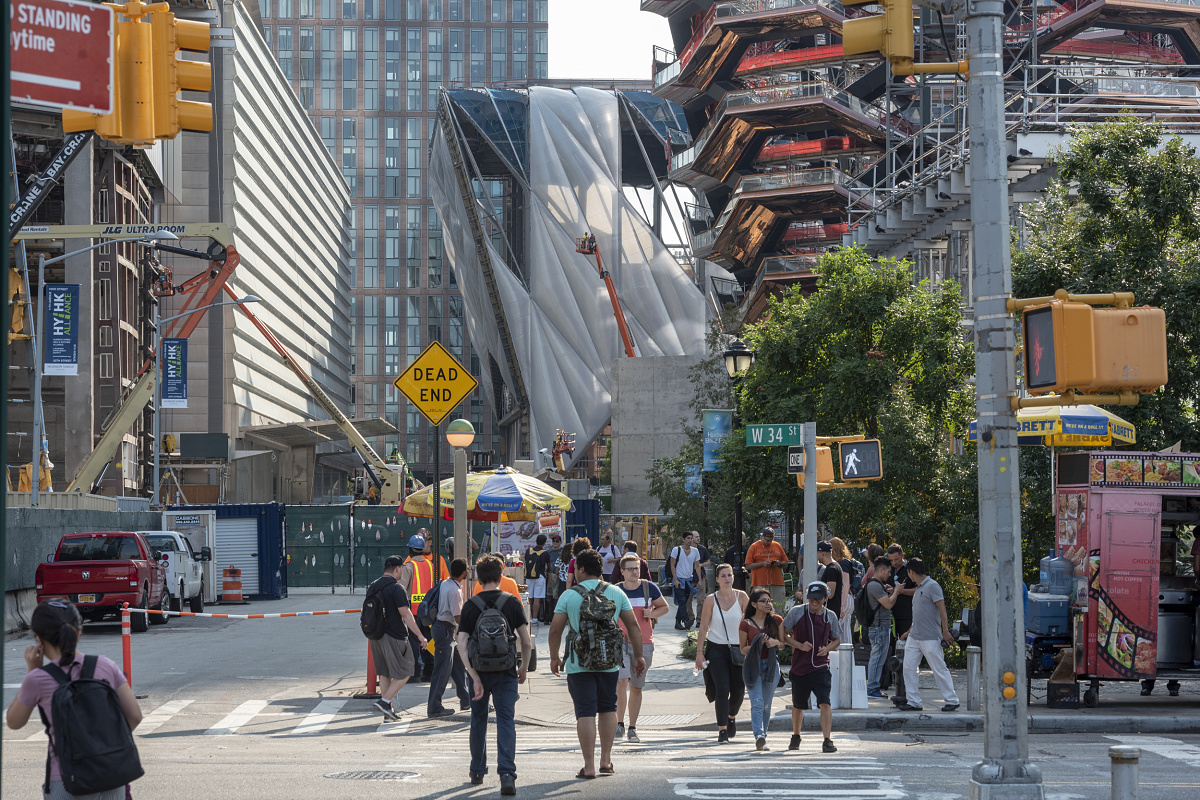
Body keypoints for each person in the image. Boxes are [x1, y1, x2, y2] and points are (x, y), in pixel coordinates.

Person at [6, 600, 144, 800]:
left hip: (66, 780)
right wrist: (102, 746)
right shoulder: (105, 665)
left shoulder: (38, 679)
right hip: (112, 776)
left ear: (38, 638)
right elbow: (135, 716)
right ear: (79, 631)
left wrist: (32, 670)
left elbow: (13, 721)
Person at [550, 549, 646, 779]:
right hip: (609, 662)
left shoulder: (569, 596)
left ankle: (589, 766)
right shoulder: (616, 592)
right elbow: (632, 625)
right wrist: (638, 656)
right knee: (607, 708)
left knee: (585, 712)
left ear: (581, 569)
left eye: (576, 569)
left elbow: (555, 629)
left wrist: (554, 657)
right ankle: (606, 760)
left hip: (578, 663)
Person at [457, 554, 532, 795]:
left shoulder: (470, 605)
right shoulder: (511, 602)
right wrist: (523, 668)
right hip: (506, 670)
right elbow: (526, 640)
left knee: (478, 720)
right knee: (506, 721)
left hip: (478, 670)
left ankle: (477, 770)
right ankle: (507, 774)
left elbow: (461, 643)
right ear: (501, 577)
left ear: (478, 577)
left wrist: (473, 675)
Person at [366, 555, 428, 720]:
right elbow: (406, 614)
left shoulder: (373, 585)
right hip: (394, 635)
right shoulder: (397, 588)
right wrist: (420, 635)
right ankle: (385, 702)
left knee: (385, 673)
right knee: (407, 669)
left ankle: (388, 712)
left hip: (375, 636)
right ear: (398, 568)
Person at [615, 553, 669, 742]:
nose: (634, 572)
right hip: (619, 642)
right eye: (630, 569)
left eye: (636, 568)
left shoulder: (649, 587)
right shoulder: (616, 590)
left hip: (643, 642)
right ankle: (619, 724)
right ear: (622, 572)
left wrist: (652, 613)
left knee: (636, 686)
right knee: (621, 682)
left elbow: (665, 607)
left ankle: (632, 727)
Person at [782, 581, 841, 754]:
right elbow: (783, 632)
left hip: (821, 666)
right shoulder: (797, 612)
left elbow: (837, 639)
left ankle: (827, 739)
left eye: (817, 599)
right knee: (798, 705)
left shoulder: (830, 616)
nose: (814, 602)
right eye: (811, 598)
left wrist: (827, 648)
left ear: (825, 598)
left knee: (825, 702)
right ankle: (796, 735)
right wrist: (798, 645)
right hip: (800, 666)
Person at [694, 563, 749, 743]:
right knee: (722, 688)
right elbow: (703, 627)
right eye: (723, 576)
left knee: (739, 690)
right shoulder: (711, 599)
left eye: (729, 575)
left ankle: (731, 716)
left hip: (737, 649)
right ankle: (722, 730)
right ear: (717, 579)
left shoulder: (742, 597)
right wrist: (699, 653)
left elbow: (750, 624)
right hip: (716, 648)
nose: (727, 579)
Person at [897, 558, 960, 713]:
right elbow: (919, 615)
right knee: (908, 668)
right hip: (914, 637)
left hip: (930, 637)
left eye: (908, 573)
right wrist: (908, 632)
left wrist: (945, 631)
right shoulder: (918, 589)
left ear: (911, 572)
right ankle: (914, 702)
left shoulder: (932, 586)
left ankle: (952, 700)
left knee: (939, 668)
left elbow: (942, 609)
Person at [400, 532, 449, 683]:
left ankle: (414, 674)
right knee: (429, 640)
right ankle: (429, 672)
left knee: (414, 641)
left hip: (414, 611)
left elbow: (401, 588)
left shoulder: (408, 566)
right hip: (429, 611)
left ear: (410, 550)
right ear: (422, 549)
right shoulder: (431, 565)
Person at [739, 588, 783, 751]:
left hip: (771, 666)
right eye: (764, 601)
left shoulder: (777, 620)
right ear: (754, 604)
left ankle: (763, 735)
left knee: (766, 705)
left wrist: (775, 642)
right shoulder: (746, 623)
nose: (768, 604)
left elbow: (783, 644)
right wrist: (757, 643)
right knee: (757, 702)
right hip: (753, 666)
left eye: (769, 600)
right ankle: (759, 735)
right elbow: (742, 648)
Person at [428, 558, 472, 717]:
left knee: (458, 666)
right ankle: (434, 707)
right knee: (442, 670)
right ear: (463, 572)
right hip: (445, 630)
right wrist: (470, 631)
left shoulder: (445, 583)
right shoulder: (455, 591)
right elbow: (458, 616)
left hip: (442, 628)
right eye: (467, 569)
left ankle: (466, 699)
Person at [865, 556, 898, 699]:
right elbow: (888, 604)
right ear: (881, 570)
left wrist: (890, 592)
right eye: (888, 572)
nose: (889, 575)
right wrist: (896, 591)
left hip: (880, 627)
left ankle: (873, 688)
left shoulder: (876, 585)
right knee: (877, 658)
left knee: (878, 658)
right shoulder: (874, 586)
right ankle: (872, 689)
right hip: (879, 628)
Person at [745, 528, 788, 609]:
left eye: (771, 540)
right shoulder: (754, 547)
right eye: (767, 540)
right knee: (760, 608)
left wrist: (778, 563)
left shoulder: (777, 546)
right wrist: (762, 564)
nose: (769, 542)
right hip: (760, 583)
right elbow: (748, 565)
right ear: (762, 536)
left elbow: (785, 563)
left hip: (777, 582)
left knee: (779, 607)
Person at [669, 531, 702, 630]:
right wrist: (675, 579)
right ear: (683, 539)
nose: (690, 540)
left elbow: (697, 566)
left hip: (689, 580)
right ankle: (686, 620)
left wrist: (700, 580)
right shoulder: (677, 550)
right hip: (679, 579)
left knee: (685, 601)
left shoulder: (695, 551)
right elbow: (672, 565)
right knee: (682, 600)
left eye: (691, 538)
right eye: (688, 538)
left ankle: (677, 622)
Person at [887, 544, 917, 639]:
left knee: (907, 643)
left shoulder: (911, 568)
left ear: (902, 556)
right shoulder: (888, 569)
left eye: (896, 559)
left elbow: (919, 590)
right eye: (891, 560)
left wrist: (900, 591)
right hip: (890, 615)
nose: (894, 563)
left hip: (907, 614)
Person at [830, 537, 859, 635]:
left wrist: (841, 605)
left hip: (843, 598)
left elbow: (845, 584)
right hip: (848, 598)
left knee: (837, 631)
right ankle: (847, 649)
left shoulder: (841, 564)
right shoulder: (847, 562)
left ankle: (839, 649)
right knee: (845, 631)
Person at [815, 541, 845, 620]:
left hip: (830, 611)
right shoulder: (834, 566)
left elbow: (830, 593)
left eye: (817, 554)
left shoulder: (832, 569)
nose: (817, 557)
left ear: (822, 554)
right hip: (832, 610)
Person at [539, 535, 565, 620]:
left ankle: (557, 615)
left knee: (557, 596)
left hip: (559, 577)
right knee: (549, 597)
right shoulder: (548, 552)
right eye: (553, 541)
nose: (555, 543)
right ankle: (548, 616)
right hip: (550, 577)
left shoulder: (562, 552)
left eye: (557, 541)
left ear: (560, 542)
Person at [525, 534, 548, 625]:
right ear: (544, 543)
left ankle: (528, 617)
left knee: (529, 597)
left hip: (529, 576)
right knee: (537, 598)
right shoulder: (545, 553)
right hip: (540, 576)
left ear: (536, 541)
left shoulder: (528, 551)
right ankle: (534, 619)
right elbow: (548, 565)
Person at [692, 536, 713, 623]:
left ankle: (699, 620)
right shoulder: (686, 549)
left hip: (701, 576)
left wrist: (700, 565)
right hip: (688, 577)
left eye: (699, 537)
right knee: (687, 601)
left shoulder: (702, 549)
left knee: (701, 600)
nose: (698, 538)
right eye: (696, 537)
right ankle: (690, 617)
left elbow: (708, 562)